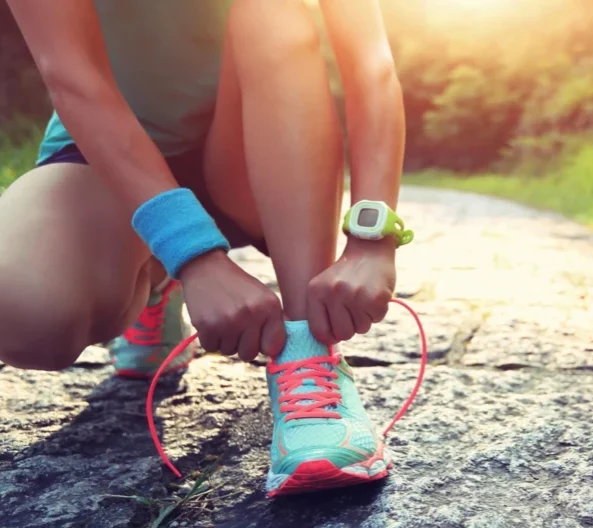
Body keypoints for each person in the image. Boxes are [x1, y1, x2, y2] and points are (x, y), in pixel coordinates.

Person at [0, 0, 412, 496]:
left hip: (256, 152)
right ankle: (157, 273)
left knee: (273, 11)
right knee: (27, 313)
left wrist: (372, 239)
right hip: (112, 160)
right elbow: (70, 74)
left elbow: (369, 59)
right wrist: (193, 256)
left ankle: (308, 353)